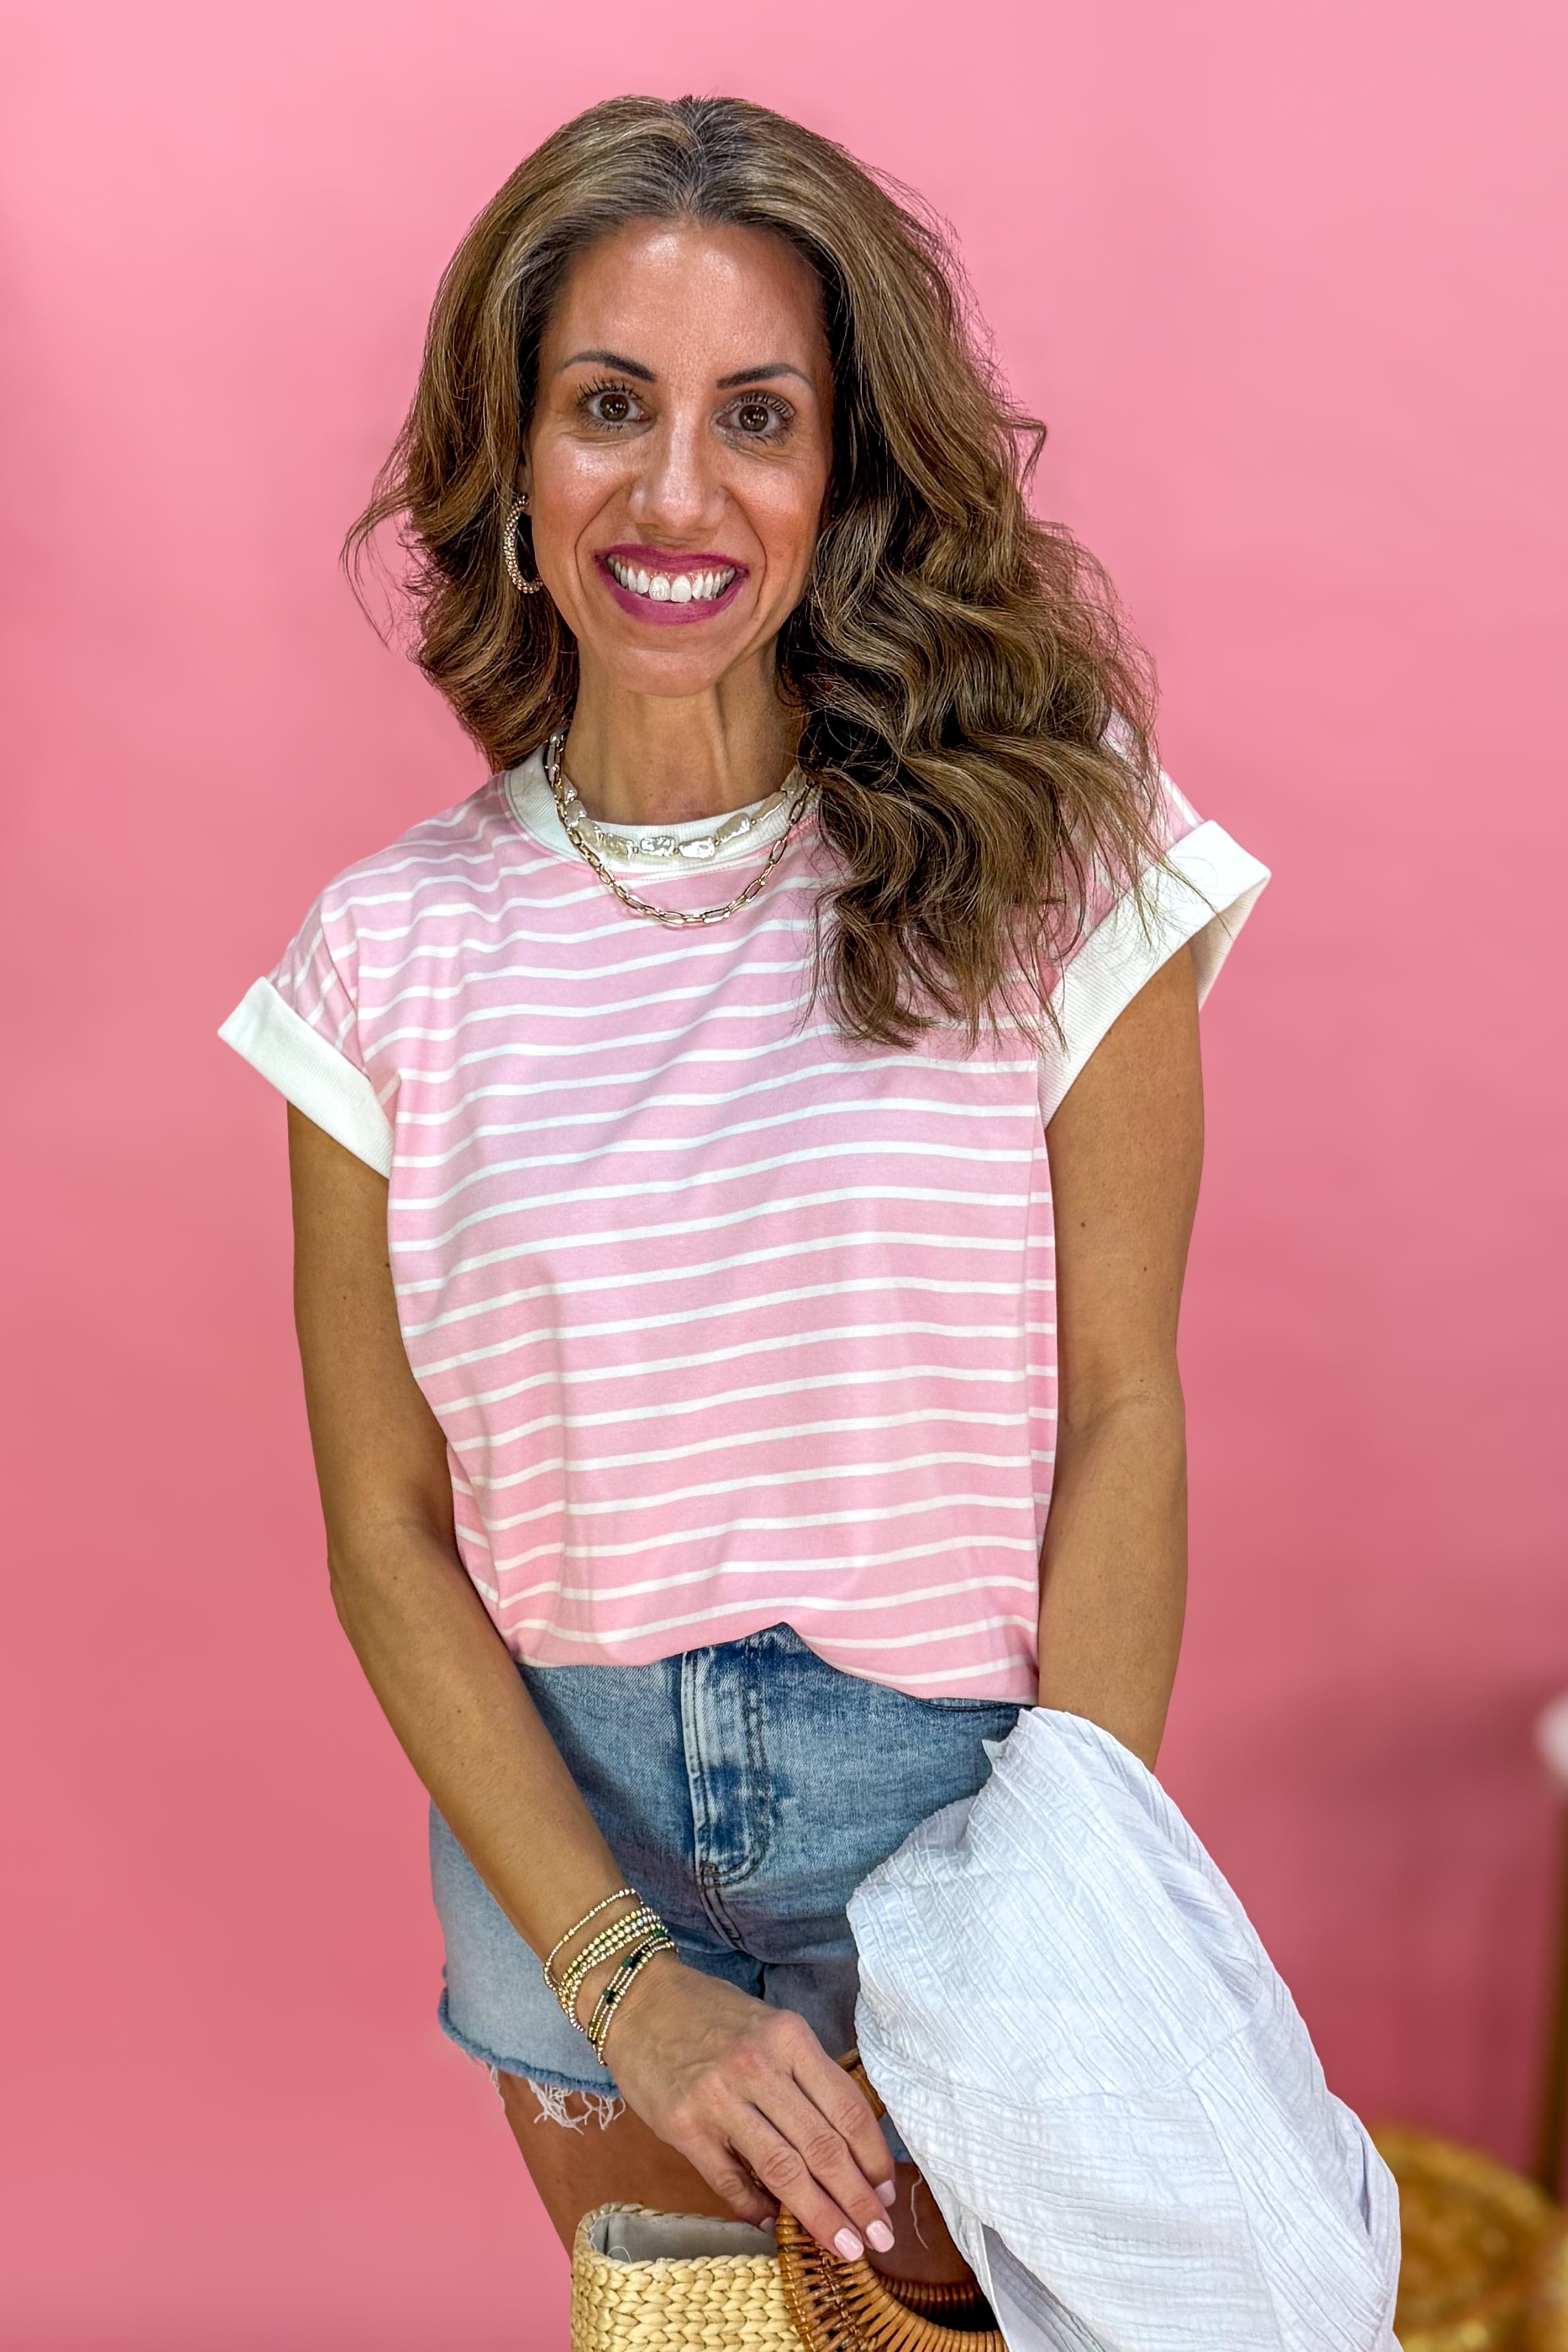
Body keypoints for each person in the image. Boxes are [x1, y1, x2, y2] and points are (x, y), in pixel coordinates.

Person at [220, 92, 1267, 2284]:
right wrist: (626, 1979)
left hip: (963, 1829)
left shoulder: (1048, 867)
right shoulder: (378, 961)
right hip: (565, 1862)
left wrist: (1035, 1951)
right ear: (509, 463)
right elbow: (384, 1530)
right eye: (609, 406)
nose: (676, 491)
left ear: (840, 476)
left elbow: (1123, 1413)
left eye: (755, 416)